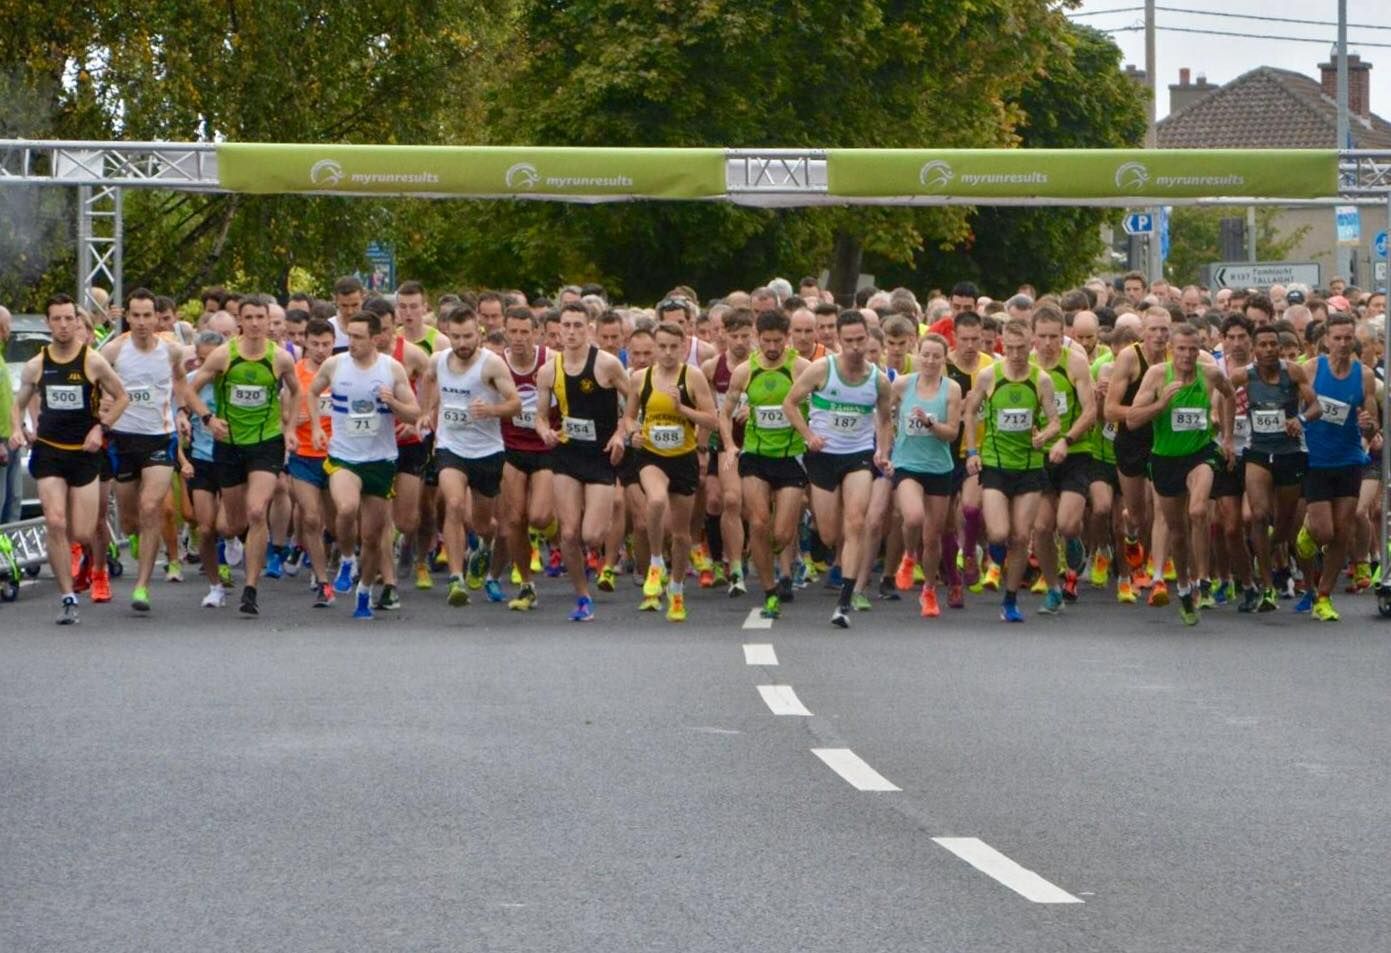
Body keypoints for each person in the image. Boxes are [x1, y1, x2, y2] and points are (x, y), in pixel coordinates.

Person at [13, 294, 129, 624]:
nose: (64, 325)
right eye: (57, 319)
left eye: (69, 319)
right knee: (55, 522)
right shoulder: (37, 364)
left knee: (82, 531)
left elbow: (122, 397)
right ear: (48, 323)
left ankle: (89, 559)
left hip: (84, 453)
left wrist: (101, 428)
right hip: (49, 451)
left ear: (77, 322)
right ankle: (67, 596)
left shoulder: (93, 361)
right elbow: (17, 404)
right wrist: (18, 429)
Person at [186, 294, 301, 615]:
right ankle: (232, 543)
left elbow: (296, 391)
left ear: (268, 321)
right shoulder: (224, 355)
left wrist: (290, 428)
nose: (254, 324)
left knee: (256, 511)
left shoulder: (280, 358)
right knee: (230, 525)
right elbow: (189, 390)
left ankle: (250, 589)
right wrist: (208, 419)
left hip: (266, 442)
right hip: (230, 444)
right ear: (240, 322)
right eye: (248, 318)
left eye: (260, 318)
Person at [782, 309, 894, 628]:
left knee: (856, 522)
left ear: (868, 338)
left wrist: (882, 451)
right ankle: (820, 533)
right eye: (849, 341)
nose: (856, 347)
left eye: (861, 340)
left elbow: (885, 420)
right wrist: (809, 436)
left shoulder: (878, 380)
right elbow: (790, 403)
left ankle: (844, 602)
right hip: (823, 456)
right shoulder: (822, 369)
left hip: (858, 455)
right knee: (830, 533)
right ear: (839, 341)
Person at [306, 309, 420, 619]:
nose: (351, 342)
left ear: (375, 339)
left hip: (380, 460)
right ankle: (346, 558)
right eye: (349, 336)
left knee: (372, 537)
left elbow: (414, 413)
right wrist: (316, 427)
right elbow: (312, 392)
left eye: (358, 337)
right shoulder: (335, 365)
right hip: (344, 456)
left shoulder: (391, 369)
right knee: (346, 508)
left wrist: (392, 402)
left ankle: (364, 592)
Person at [1125, 322, 1237, 626]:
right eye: (1181, 349)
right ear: (1171, 350)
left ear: (1200, 350)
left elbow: (1230, 396)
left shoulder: (1210, 374)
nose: (1187, 355)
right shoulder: (1157, 375)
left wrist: (1227, 437)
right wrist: (1162, 403)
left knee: (1198, 511)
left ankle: (1203, 580)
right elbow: (1132, 420)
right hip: (1165, 459)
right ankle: (1185, 588)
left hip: (1200, 453)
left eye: (1193, 349)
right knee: (1176, 532)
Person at [418, 305, 521, 609]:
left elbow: (515, 404)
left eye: (467, 336)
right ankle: (455, 578)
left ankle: (485, 545)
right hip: (451, 447)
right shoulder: (438, 360)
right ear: (447, 334)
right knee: (453, 504)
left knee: (483, 523)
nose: (461, 343)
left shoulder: (492, 365)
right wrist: (427, 411)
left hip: (487, 451)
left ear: (478, 333)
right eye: (456, 337)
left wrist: (491, 410)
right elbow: (429, 381)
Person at [99, 288, 192, 613]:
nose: (141, 322)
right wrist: (103, 404)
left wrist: (183, 411)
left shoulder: (171, 350)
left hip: (159, 437)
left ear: (156, 318)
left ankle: (142, 586)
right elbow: (95, 381)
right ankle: (136, 535)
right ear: (127, 317)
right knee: (129, 520)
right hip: (123, 439)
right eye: (135, 316)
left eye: (147, 316)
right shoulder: (114, 350)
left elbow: (181, 382)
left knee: (151, 506)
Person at [533, 303, 628, 622]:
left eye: (577, 325)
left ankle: (606, 536)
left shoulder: (607, 364)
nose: (571, 332)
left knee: (591, 536)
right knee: (569, 533)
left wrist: (621, 434)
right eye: (566, 326)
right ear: (558, 329)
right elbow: (540, 416)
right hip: (567, 454)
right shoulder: (549, 370)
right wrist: (545, 432)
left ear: (589, 329)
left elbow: (634, 403)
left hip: (600, 456)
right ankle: (583, 597)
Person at [962, 317, 1061, 623]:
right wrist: (972, 452)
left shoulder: (1041, 379)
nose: (1016, 354)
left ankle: (1010, 599)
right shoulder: (989, 376)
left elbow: (1055, 422)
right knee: (999, 533)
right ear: (1003, 345)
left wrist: (1044, 436)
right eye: (1011, 348)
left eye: (1022, 348)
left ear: (1031, 345)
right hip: (996, 463)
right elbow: (969, 413)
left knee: (1020, 536)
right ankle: (993, 554)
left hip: (1030, 466)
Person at [622, 322, 719, 621]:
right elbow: (628, 417)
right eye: (661, 347)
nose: (666, 353)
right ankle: (654, 562)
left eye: (673, 347)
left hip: (683, 458)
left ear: (683, 347)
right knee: (655, 500)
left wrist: (683, 411)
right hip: (651, 455)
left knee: (680, 535)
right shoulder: (640, 378)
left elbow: (712, 420)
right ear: (654, 347)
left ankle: (676, 591)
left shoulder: (693, 377)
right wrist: (633, 433)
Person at [721, 310, 810, 619]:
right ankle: (770, 590)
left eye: (778, 341)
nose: (772, 347)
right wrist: (730, 445)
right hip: (755, 455)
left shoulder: (801, 368)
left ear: (787, 338)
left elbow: (821, 404)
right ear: (758, 338)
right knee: (758, 522)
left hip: (791, 456)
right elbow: (725, 413)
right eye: (767, 341)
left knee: (782, 534)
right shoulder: (745, 371)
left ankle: (766, 555)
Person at [1227, 324, 1320, 612]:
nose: (1268, 349)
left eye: (1272, 344)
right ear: (1254, 349)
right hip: (1257, 451)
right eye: (1263, 345)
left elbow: (1315, 407)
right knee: (1258, 515)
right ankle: (1267, 587)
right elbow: (1224, 397)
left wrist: (1300, 420)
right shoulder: (1243, 375)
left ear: (1279, 347)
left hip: (1290, 452)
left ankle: (1267, 548)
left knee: (1286, 523)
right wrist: (1227, 436)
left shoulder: (1293, 372)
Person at [1298, 313, 1378, 621]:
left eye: (1348, 338)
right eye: (1337, 338)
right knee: (1324, 531)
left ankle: (1323, 597)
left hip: (1348, 459)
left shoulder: (1364, 375)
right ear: (1326, 340)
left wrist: (1367, 425)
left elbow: (1372, 425)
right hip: (1315, 458)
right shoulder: (1311, 369)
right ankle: (1307, 532)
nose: (1343, 343)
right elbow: (1296, 406)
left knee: (1342, 533)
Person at [888, 333, 962, 617]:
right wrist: (884, 447)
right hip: (907, 463)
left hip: (939, 467)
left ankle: (929, 590)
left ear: (945, 359)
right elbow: (882, 414)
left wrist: (930, 424)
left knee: (932, 538)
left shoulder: (951, 389)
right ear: (917, 355)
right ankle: (909, 556)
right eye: (926, 355)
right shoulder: (903, 384)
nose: (930, 361)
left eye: (936, 356)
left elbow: (952, 433)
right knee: (913, 517)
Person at [1029, 305, 1097, 612]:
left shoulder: (1075, 363)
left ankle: (1073, 542)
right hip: (1039, 454)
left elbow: (1090, 411)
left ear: (1063, 335)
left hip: (1075, 451)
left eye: (1054, 336)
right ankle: (1053, 588)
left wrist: (1066, 440)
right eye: (1042, 336)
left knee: (1067, 524)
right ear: (1033, 336)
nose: (1048, 343)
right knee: (1042, 527)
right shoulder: (1026, 365)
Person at [498, 306, 554, 611]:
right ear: (505, 332)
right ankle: (526, 583)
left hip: (546, 448)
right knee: (513, 519)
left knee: (539, 517)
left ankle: (554, 528)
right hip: (511, 447)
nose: (519, 338)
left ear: (537, 333)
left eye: (525, 332)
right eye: (513, 332)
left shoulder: (551, 361)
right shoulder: (496, 364)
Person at [701, 308, 754, 596]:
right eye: (735, 336)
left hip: (759, 443)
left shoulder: (763, 365)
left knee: (750, 507)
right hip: (725, 442)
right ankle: (730, 565)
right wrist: (702, 447)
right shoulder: (712, 367)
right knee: (725, 500)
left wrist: (753, 409)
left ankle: (747, 552)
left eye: (745, 336)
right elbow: (708, 411)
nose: (740, 342)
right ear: (725, 335)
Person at [286, 317, 337, 607]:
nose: (320, 349)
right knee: (311, 517)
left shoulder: (341, 370)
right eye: (315, 343)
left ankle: (342, 558)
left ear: (333, 344)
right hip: (304, 455)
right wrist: (293, 423)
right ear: (305, 342)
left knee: (339, 521)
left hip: (337, 454)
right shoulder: (294, 372)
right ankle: (322, 580)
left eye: (326, 344)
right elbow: (283, 411)